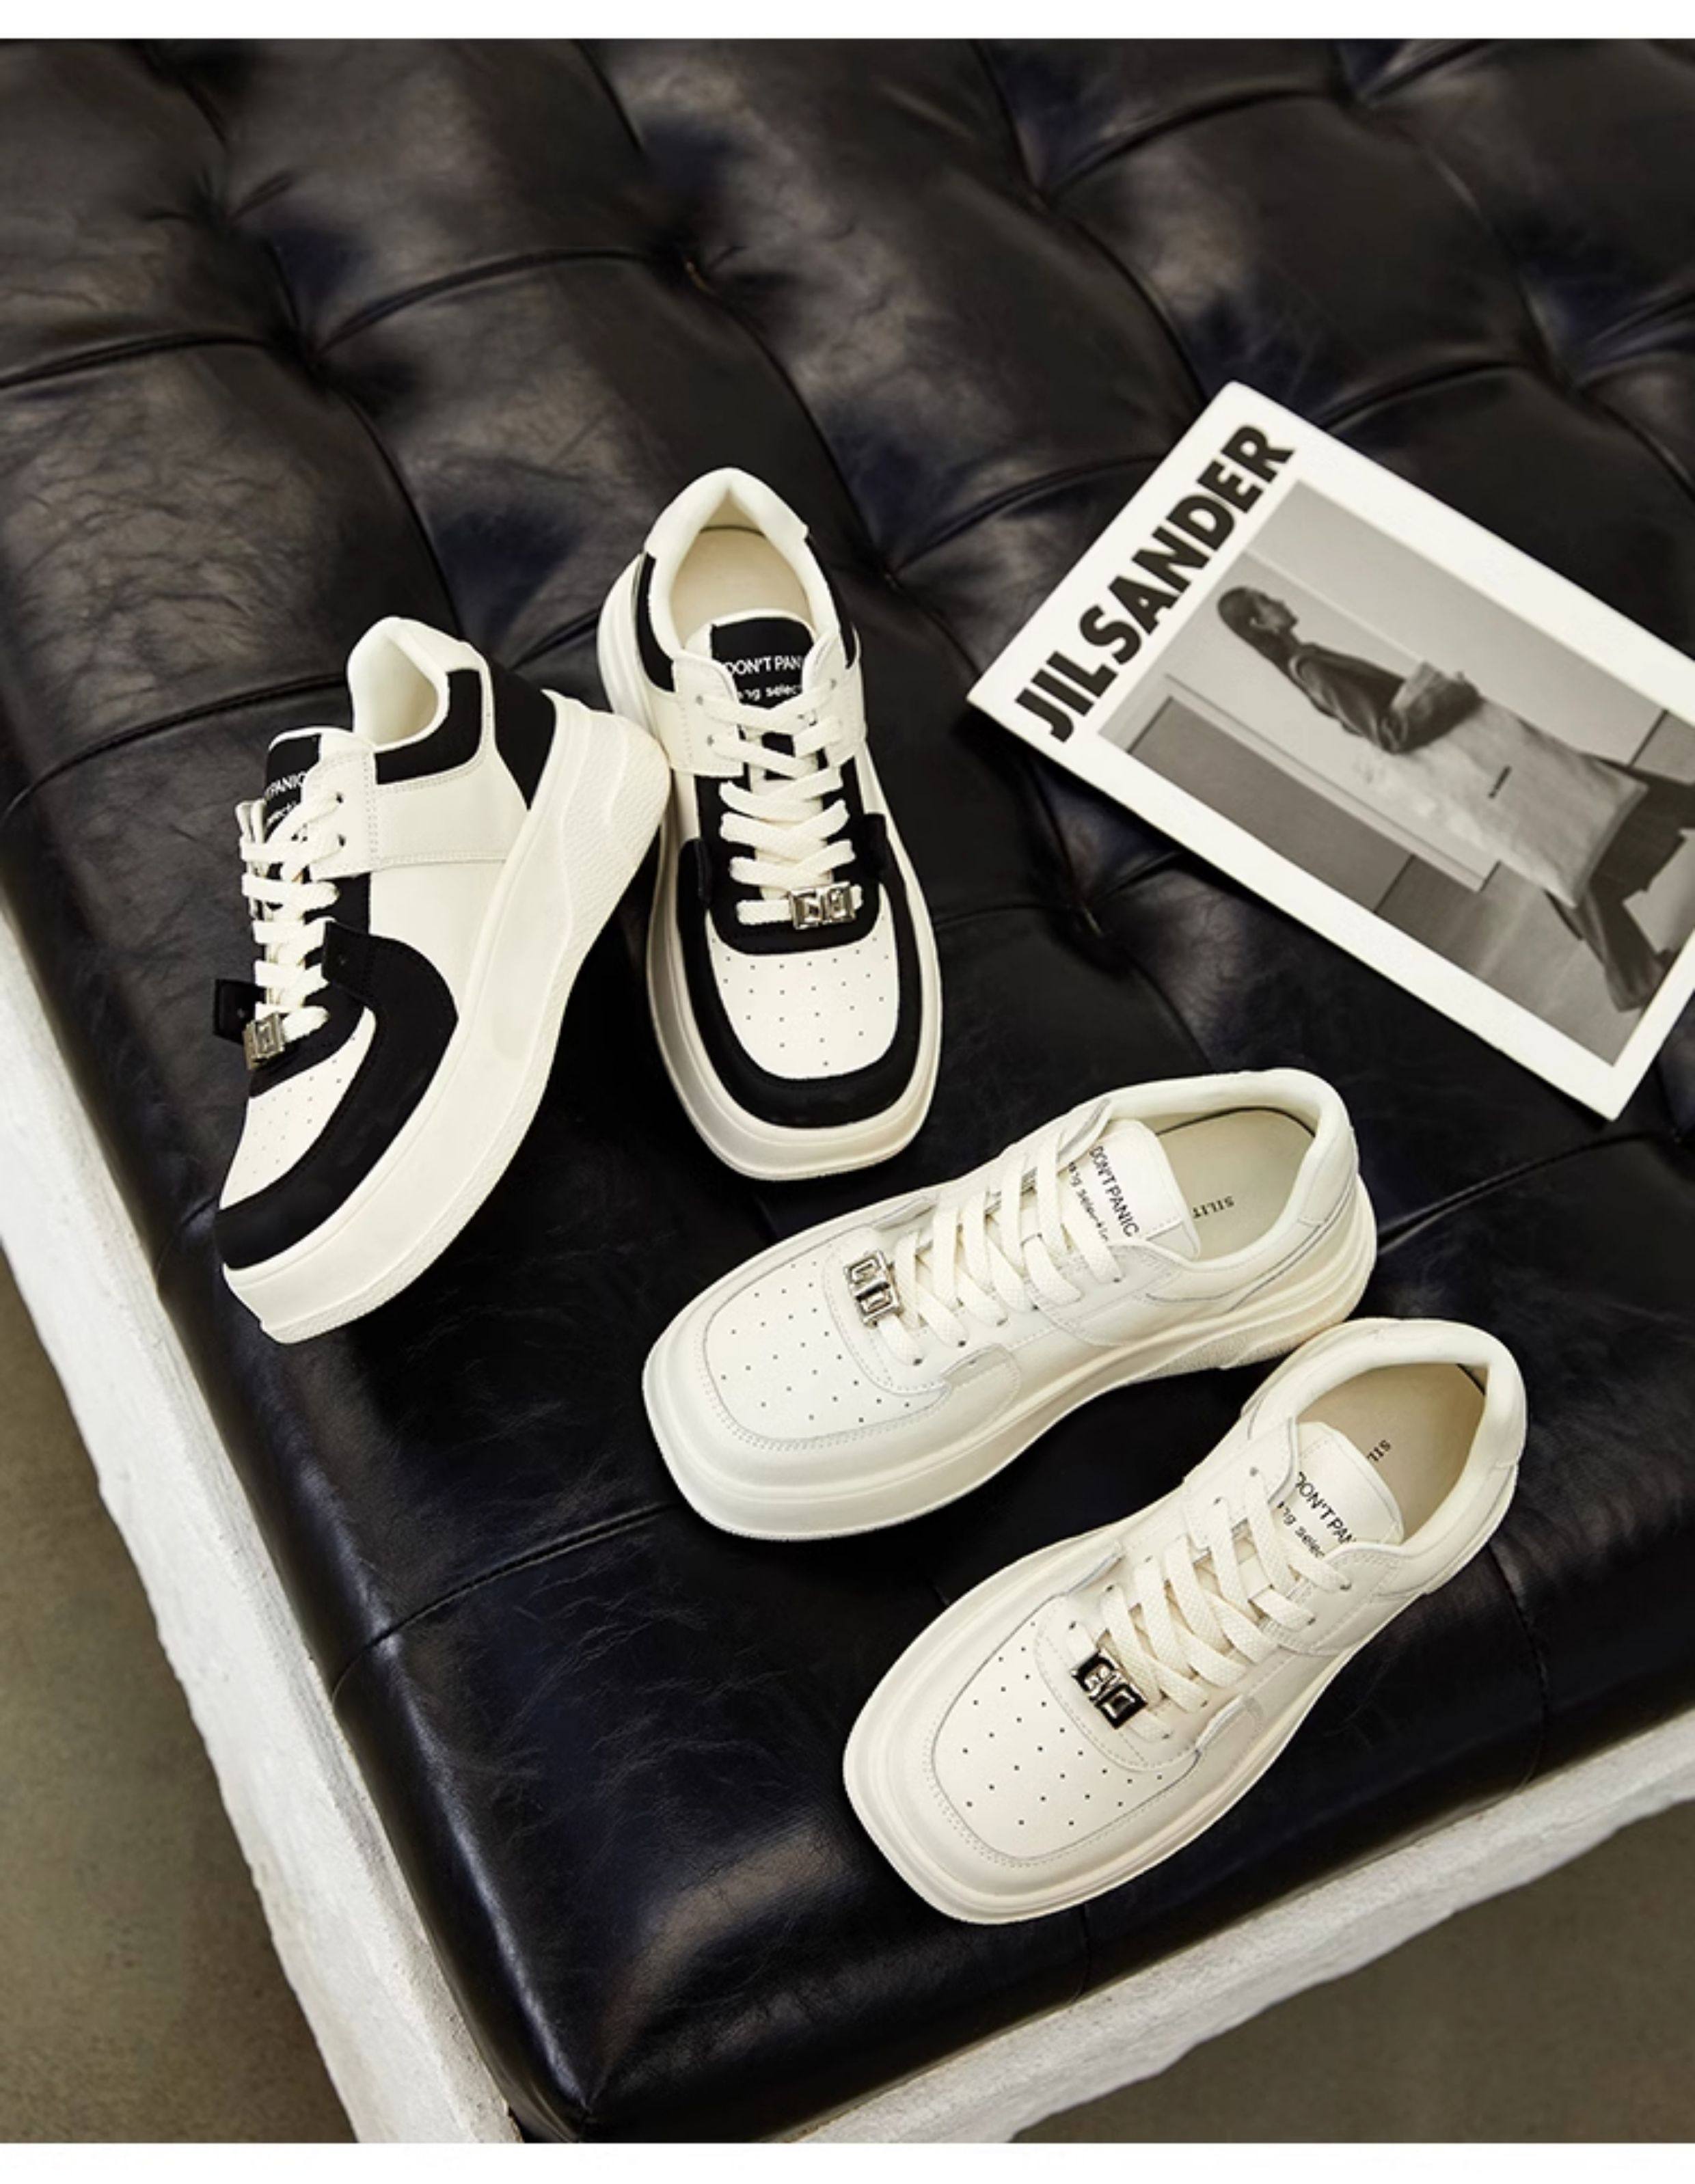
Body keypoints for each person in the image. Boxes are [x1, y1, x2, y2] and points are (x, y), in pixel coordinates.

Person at [1217, 585, 1695, 1013]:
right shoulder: (1313, 668)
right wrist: (1451, 695)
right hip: (1478, 765)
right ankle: (1633, 977)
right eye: (1267, 601)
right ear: (1259, 622)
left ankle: (1633, 977)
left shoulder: (1310, 659)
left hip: (1486, 765)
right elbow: (1389, 733)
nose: (1280, 601)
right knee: (1575, 826)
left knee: (1577, 819)